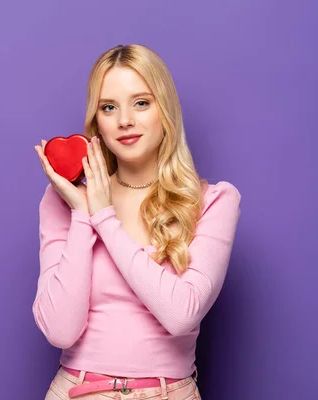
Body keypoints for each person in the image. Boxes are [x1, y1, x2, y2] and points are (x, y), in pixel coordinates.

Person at [33, 44, 241, 400]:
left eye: (141, 102)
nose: (124, 120)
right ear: (96, 120)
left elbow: (180, 314)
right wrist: (83, 215)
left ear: (165, 109)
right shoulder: (64, 201)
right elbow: (60, 331)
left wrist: (104, 217)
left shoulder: (214, 202)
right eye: (108, 107)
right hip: (75, 391)